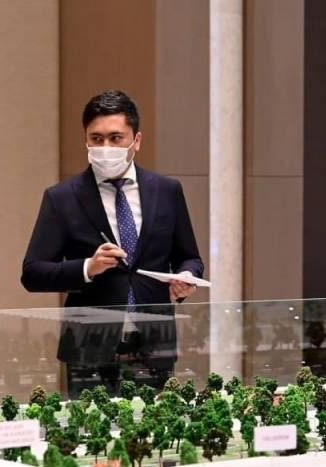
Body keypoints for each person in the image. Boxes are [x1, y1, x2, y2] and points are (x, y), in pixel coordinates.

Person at [21, 90, 205, 396]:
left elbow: (190, 257)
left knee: (155, 425)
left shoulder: (167, 190)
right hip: (89, 348)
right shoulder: (62, 197)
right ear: (86, 141)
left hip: (154, 344)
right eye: (96, 138)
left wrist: (186, 277)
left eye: (116, 138)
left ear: (137, 141)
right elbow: (32, 273)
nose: (105, 147)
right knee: (90, 426)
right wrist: (87, 268)